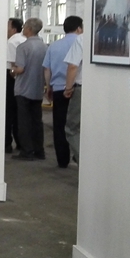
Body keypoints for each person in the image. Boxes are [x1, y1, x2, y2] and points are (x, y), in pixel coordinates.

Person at [43, 16, 83, 168]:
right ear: (79, 28)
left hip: (59, 89)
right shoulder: (83, 42)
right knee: (76, 125)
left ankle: (62, 159)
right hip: (77, 88)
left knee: (60, 125)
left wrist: (48, 87)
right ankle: (78, 156)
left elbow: (47, 69)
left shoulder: (54, 46)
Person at [11, 17, 47, 161]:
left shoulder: (23, 47)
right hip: (37, 88)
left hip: (23, 89)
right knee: (37, 121)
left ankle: (27, 151)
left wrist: (12, 71)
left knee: (24, 122)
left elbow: (20, 69)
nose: (23, 29)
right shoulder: (44, 46)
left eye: (25, 26)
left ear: (29, 29)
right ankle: (39, 150)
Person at [6, 18, 26, 153]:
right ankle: (21, 143)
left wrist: (13, 74)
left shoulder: (12, 42)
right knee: (21, 113)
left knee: (9, 112)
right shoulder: (25, 40)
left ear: (13, 29)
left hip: (13, 78)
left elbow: (14, 65)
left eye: (7, 26)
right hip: (25, 80)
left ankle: (7, 143)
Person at [64, 33, 84, 165]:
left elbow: (73, 66)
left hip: (82, 89)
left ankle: (84, 162)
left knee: (72, 128)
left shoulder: (82, 38)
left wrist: (68, 88)